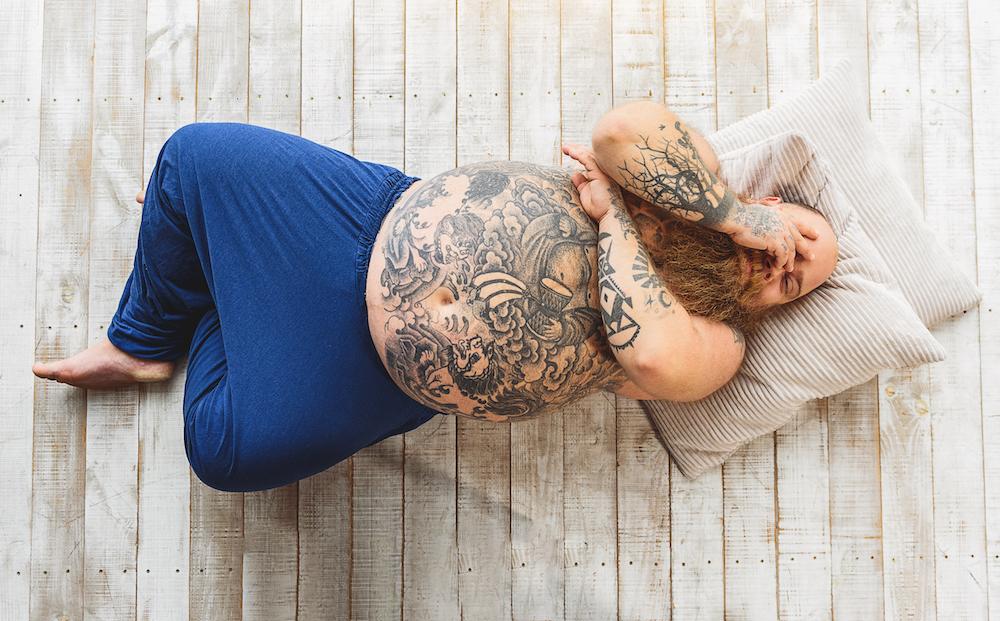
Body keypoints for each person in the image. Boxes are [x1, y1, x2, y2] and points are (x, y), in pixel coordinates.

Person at [33, 101, 836, 492]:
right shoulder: (694, 180)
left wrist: (612, 214)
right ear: (771, 203)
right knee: (190, 157)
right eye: (797, 236)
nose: (784, 261)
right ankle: (142, 341)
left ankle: (215, 279)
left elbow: (651, 350)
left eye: (799, 277)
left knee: (221, 454)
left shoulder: (720, 342)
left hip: (381, 376)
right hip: (356, 224)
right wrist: (730, 213)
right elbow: (618, 132)